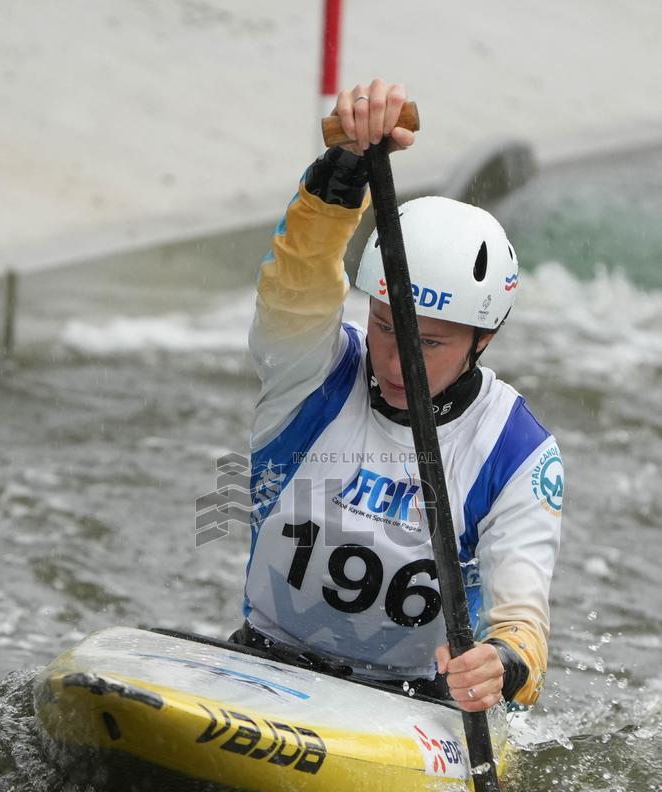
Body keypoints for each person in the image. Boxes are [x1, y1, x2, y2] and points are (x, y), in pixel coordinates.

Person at [231, 79, 563, 713]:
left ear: (484, 340)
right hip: (265, 662)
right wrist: (346, 165)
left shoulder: (516, 451)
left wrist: (500, 664)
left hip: (411, 707)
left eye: (428, 343)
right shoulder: (312, 373)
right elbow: (297, 280)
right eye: (385, 326)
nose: (394, 360)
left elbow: (522, 625)